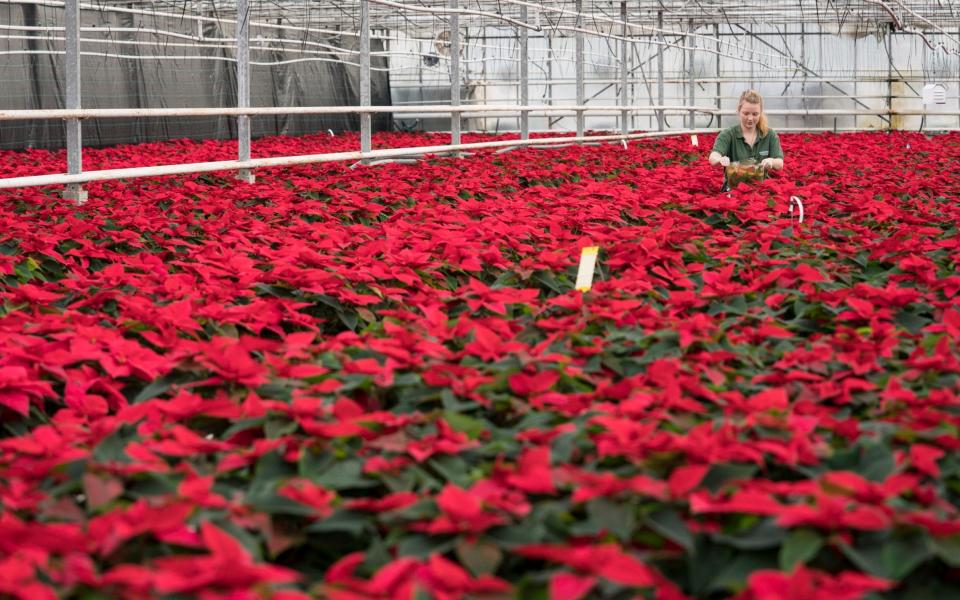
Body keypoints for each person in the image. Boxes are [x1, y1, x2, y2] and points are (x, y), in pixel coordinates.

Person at [709, 90, 784, 191]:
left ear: (760, 113)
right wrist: (720, 159)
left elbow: (779, 163)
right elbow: (713, 157)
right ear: (739, 110)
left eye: (755, 114)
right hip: (733, 192)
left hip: (760, 191)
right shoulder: (728, 134)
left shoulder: (769, 135)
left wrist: (771, 161)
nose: (750, 118)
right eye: (746, 113)